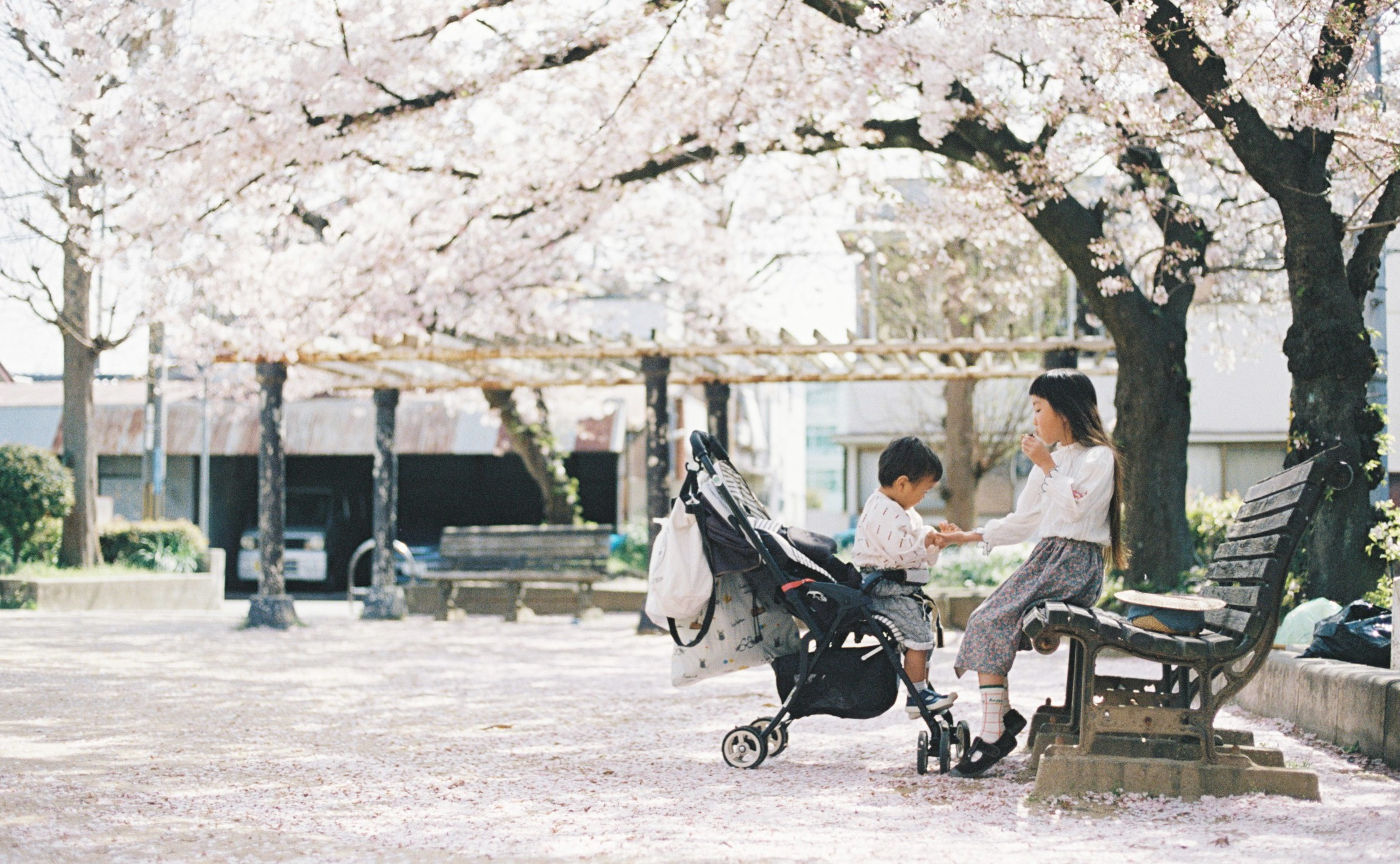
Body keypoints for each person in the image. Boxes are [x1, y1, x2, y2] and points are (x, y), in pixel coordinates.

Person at [933, 369, 1124, 776]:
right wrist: (967, 536)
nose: (1034, 420)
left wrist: (1048, 465)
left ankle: (994, 732)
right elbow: (1022, 522)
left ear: (1065, 411)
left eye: (1039, 409)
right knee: (986, 618)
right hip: (1049, 558)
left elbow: (1077, 508)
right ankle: (997, 724)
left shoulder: (1097, 457)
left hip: (1075, 563)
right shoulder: (1050, 464)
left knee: (989, 618)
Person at [852, 436, 958, 718]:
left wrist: (934, 543)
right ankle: (917, 695)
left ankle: (921, 688)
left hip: (897, 584)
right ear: (902, 483)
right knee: (917, 635)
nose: (925, 497)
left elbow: (916, 555)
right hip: (883, 586)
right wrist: (927, 539)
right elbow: (902, 553)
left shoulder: (903, 511)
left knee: (922, 633)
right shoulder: (883, 511)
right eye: (924, 491)